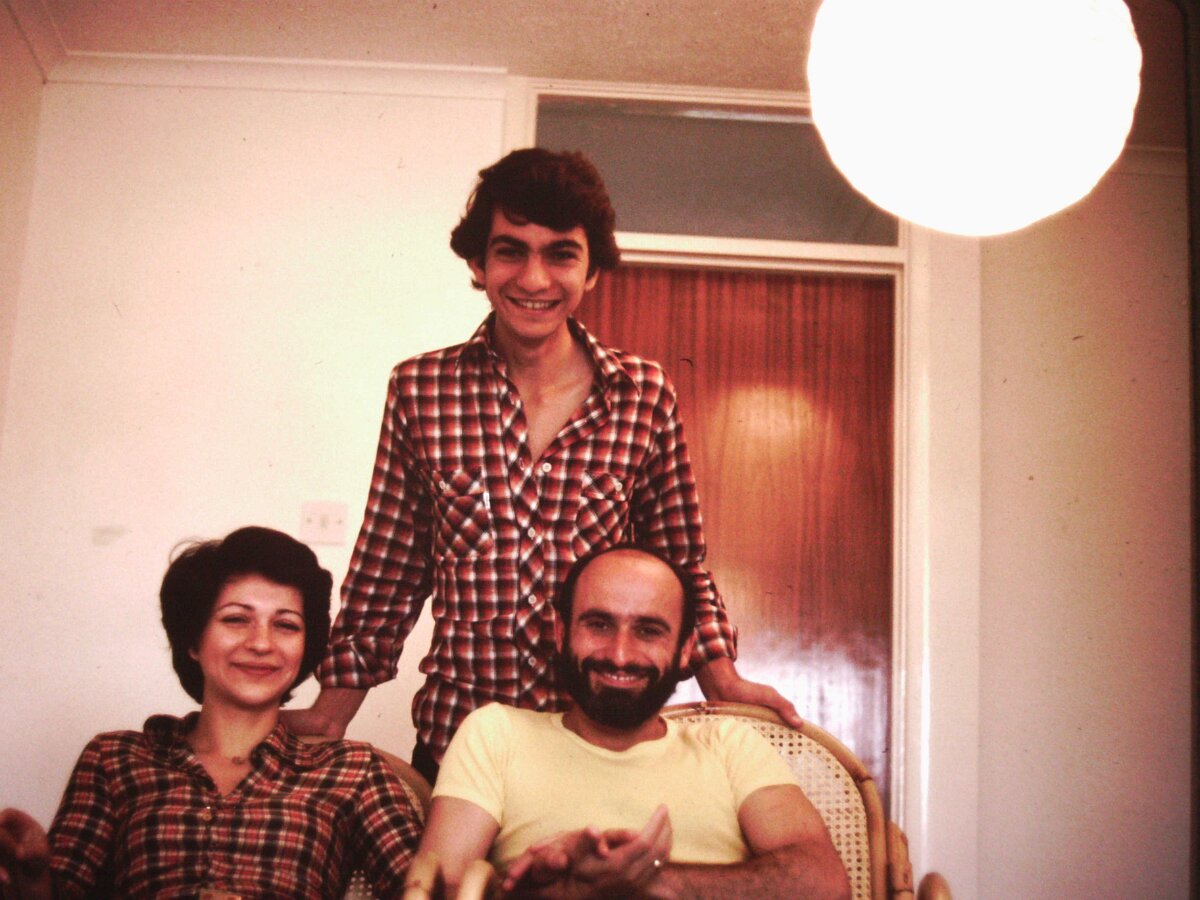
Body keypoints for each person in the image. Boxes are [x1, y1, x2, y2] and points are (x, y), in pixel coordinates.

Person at [289, 147, 800, 782]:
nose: (534, 280)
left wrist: (723, 679)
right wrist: (330, 713)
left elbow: (680, 561)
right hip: (460, 745)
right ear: (478, 264)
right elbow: (388, 568)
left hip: (602, 748)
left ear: (592, 271)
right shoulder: (421, 389)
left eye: (560, 254)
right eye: (511, 251)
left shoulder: (642, 393)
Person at [0, 526, 421, 900]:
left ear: (305, 649)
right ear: (192, 641)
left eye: (286, 625)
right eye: (236, 619)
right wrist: (33, 872)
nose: (261, 643)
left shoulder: (353, 770)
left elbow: (421, 888)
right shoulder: (114, 759)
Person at [418, 544, 850, 899]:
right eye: (599, 624)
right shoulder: (495, 734)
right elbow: (441, 888)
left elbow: (824, 884)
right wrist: (554, 892)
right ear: (562, 633)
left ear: (685, 649)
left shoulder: (730, 743)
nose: (620, 655)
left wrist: (649, 881)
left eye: (648, 630)